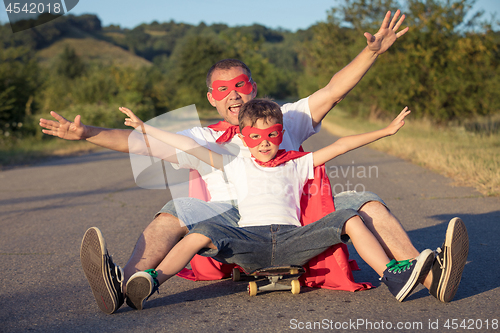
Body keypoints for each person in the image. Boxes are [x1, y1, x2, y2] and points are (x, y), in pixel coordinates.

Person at [39, 10, 469, 315]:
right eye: (222, 90)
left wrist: (373, 53)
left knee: (366, 199)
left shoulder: (284, 119)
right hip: (228, 223)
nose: (233, 94)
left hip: (292, 217)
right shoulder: (204, 137)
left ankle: (426, 275)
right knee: (174, 211)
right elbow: (141, 142)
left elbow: (333, 90)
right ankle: (126, 286)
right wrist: (87, 133)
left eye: (240, 85)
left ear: (254, 88)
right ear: (211, 98)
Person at [117, 99, 438, 309]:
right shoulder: (232, 163)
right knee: (202, 230)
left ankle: (392, 275)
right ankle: (153, 278)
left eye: (272, 134)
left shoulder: (297, 162)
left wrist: (386, 131)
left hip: (295, 239)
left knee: (348, 217)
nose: (266, 142)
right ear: (242, 137)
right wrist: (146, 128)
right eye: (256, 137)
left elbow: (340, 145)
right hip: (248, 241)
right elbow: (187, 144)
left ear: (281, 132)